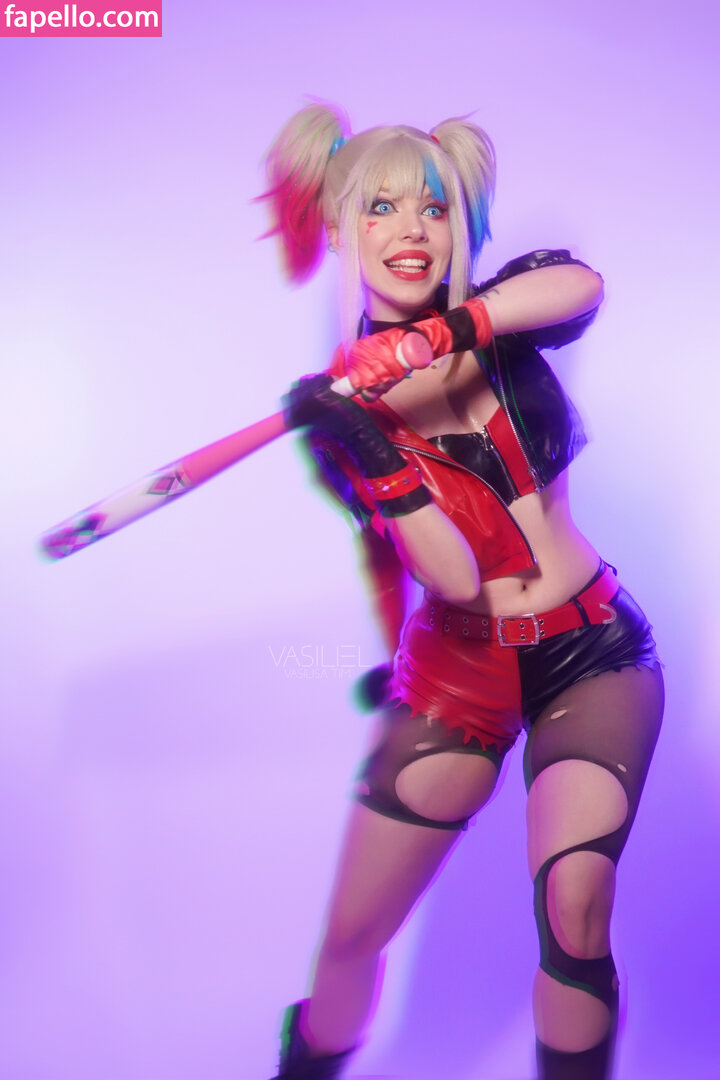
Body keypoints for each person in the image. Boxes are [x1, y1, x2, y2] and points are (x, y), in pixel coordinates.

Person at [260, 102, 664, 1080]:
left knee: (575, 908)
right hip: (457, 671)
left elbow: (582, 283)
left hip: (594, 652)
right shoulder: (341, 414)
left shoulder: (504, 315)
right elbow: (448, 574)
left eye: (433, 208)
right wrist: (368, 446)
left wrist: (445, 332)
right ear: (341, 229)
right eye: (381, 207)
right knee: (353, 937)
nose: (411, 230)